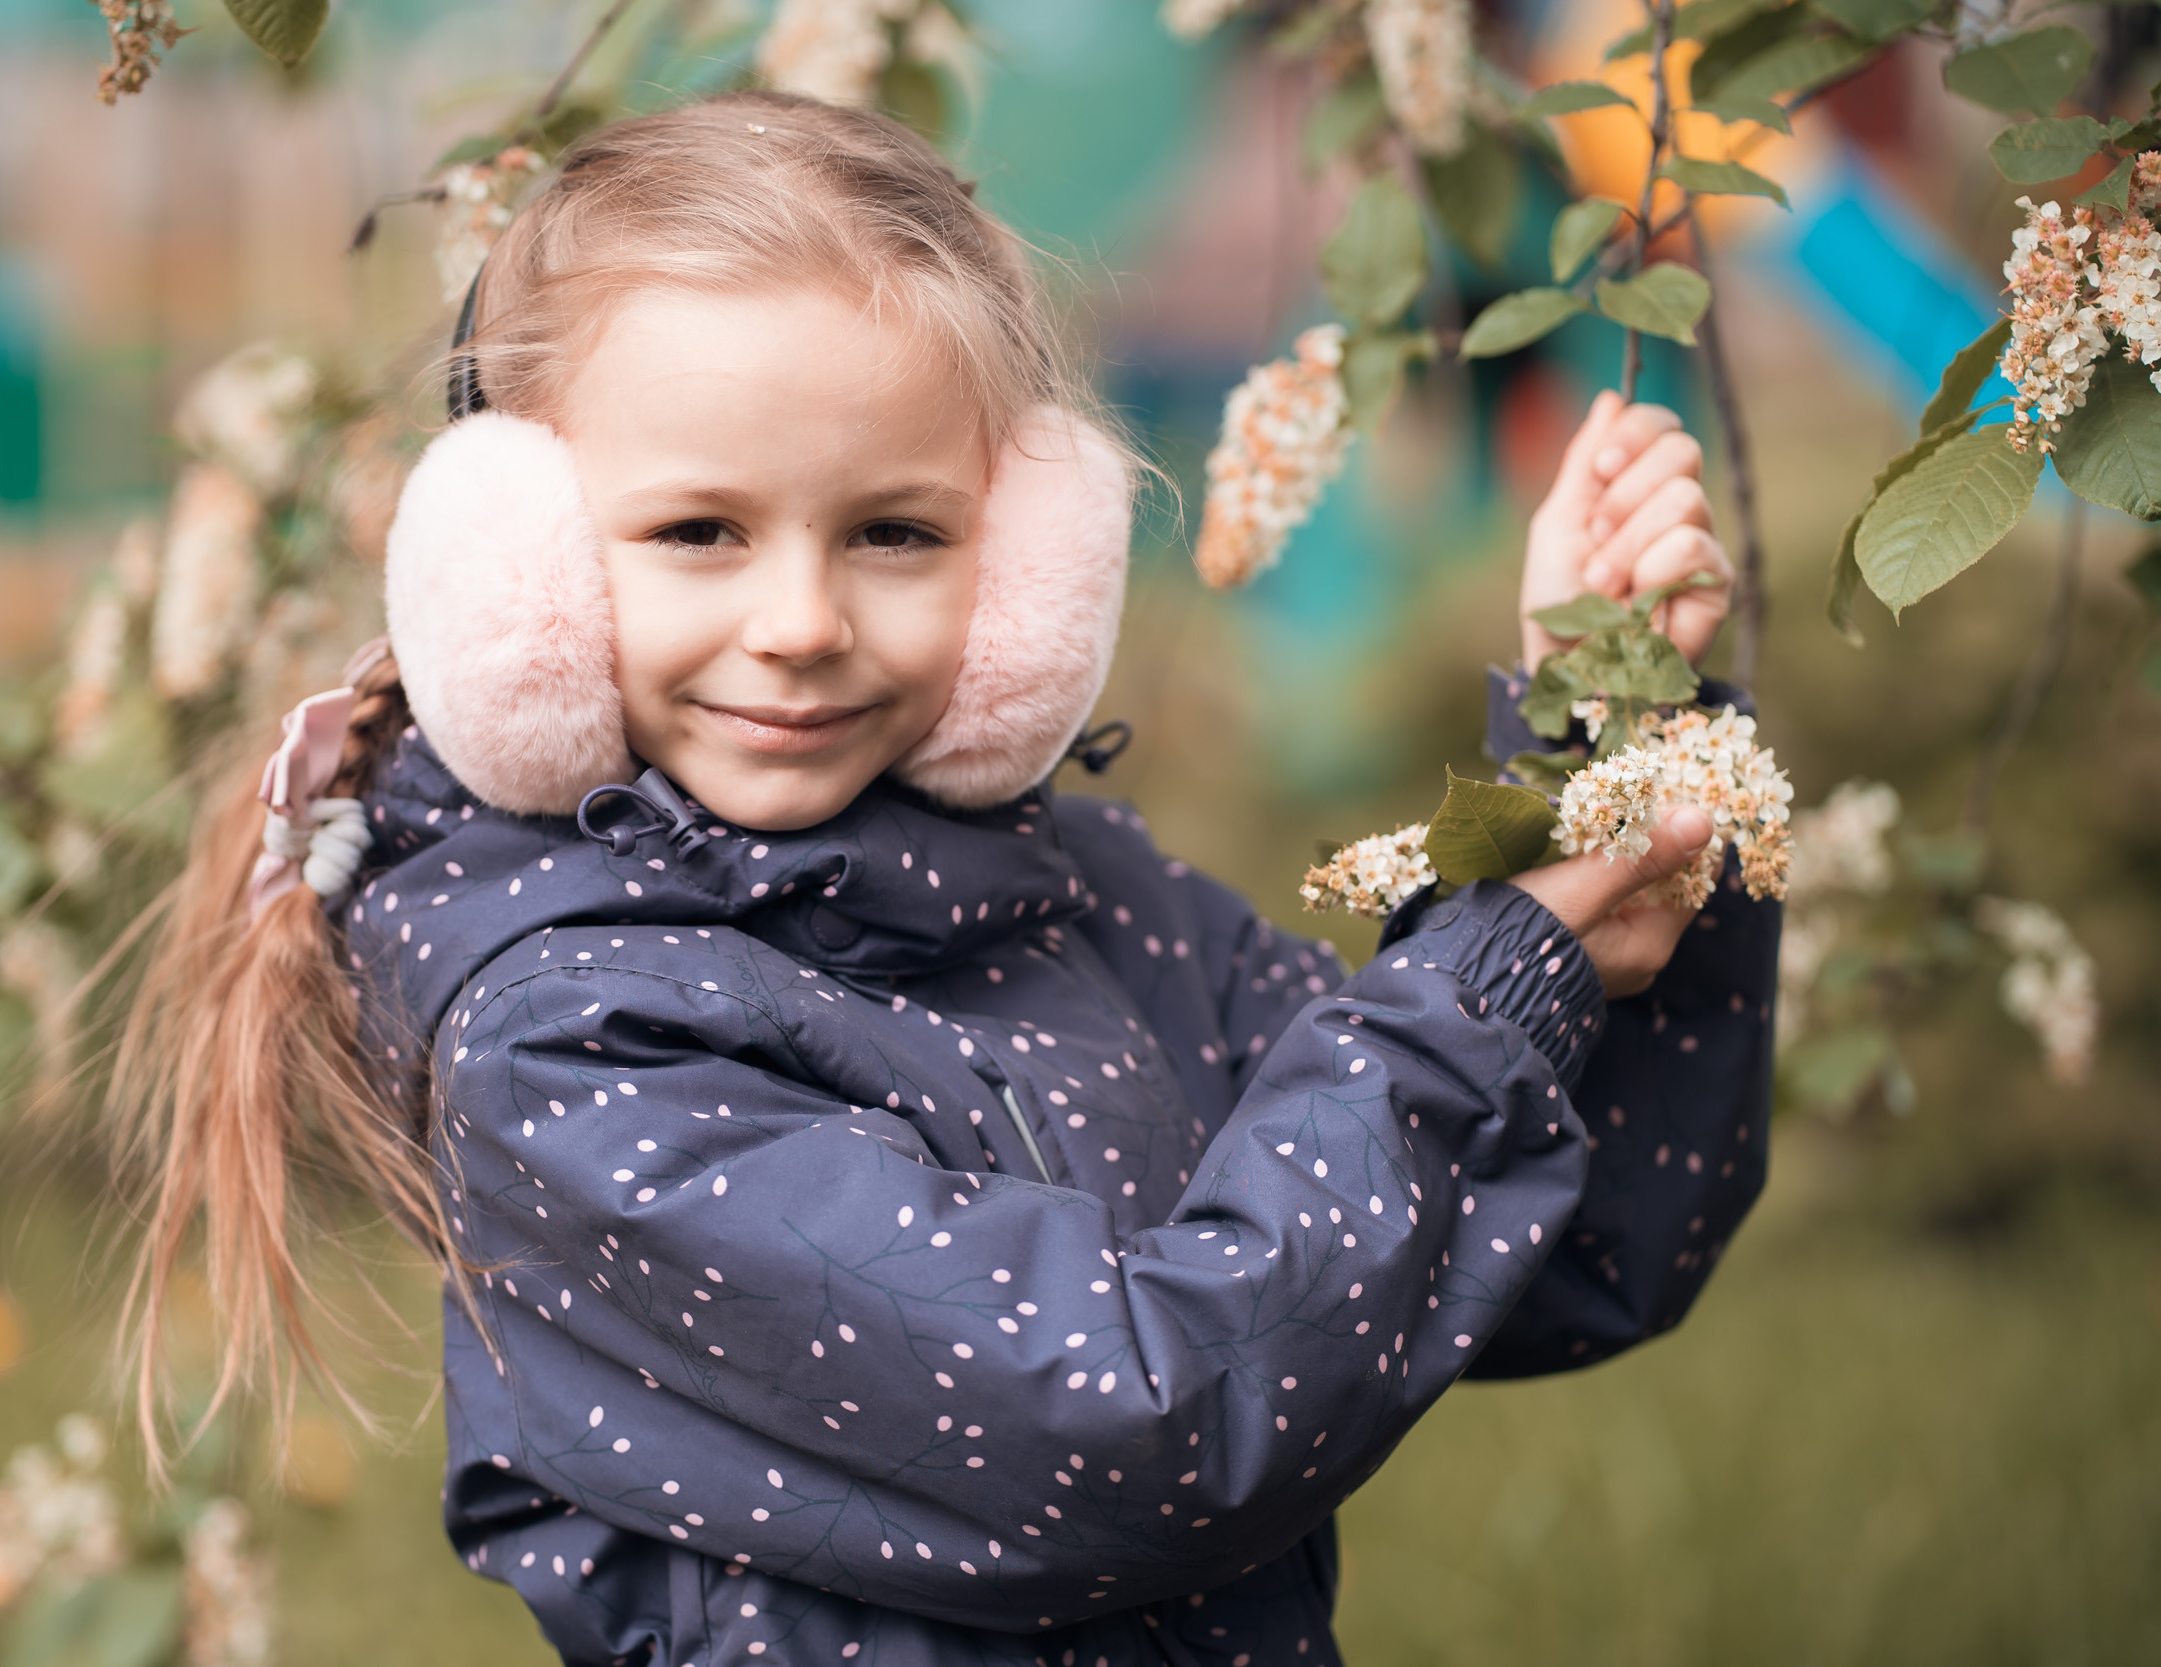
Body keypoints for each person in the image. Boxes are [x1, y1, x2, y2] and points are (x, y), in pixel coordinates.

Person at [113, 90, 1774, 1667]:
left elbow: (1555, 1247)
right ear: (512, 569)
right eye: (699, 531)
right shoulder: (571, 1047)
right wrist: (1483, 991)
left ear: (1024, 548)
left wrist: (1605, 764)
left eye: (894, 533)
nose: (804, 621)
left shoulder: (1073, 892)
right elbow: (1148, 1431)